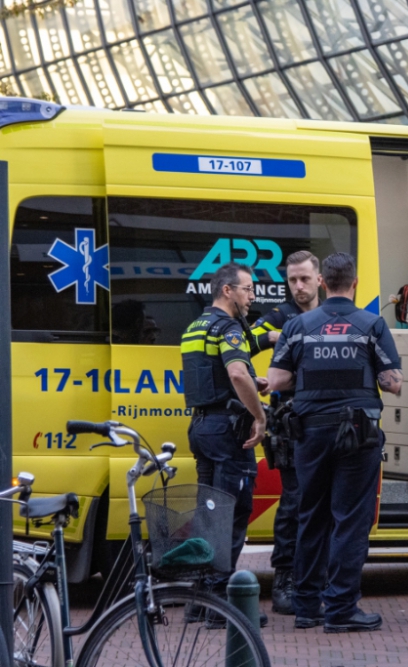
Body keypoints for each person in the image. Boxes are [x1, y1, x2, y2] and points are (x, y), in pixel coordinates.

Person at [267, 252, 403, 633]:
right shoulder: (372, 324)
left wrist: (310, 374)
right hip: (358, 434)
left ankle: (307, 606)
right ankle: (341, 607)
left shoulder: (298, 326)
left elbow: (276, 380)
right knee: (350, 519)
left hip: (309, 432)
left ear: (323, 282)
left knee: (311, 516)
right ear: (354, 283)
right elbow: (393, 383)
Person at [181, 262, 268, 624]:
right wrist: (259, 416)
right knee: (231, 513)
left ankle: (198, 600)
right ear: (227, 290)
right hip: (227, 432)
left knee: (207, 514)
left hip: (201, 427)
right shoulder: (229, 328)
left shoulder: (195, 326)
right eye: (248, 289)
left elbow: (214, 374)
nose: (252, 297)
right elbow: (235, 372)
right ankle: (221, 607)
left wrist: (251, 380)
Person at [247, 250, 323, 616]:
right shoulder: (282, 315)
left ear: (320, 279)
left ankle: (319, 578)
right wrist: (280, 336)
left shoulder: (333, 315)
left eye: (305, 279)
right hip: (292, 420)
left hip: (328, 419)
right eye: (292, 280)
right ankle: (286, 578)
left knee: (326, 503)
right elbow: (245, 339)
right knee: (293, 502)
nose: (298, 286)